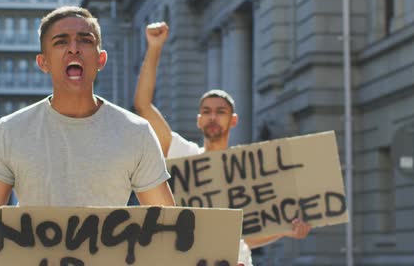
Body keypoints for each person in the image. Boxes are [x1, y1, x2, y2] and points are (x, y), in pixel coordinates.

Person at [0, 6, 175, 263]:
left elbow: (170, 228)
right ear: (44, 63)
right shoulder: (10, 131)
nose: (74, 48)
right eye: (61, 42)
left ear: (101, 59)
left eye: (85, 41)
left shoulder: (136, 133)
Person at [133, 22, 312, 266]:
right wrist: (154, 48)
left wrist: (286, 230)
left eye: (221, 111)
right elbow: (143, 106)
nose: (213, 117)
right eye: (206, 111)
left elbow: (247, 236)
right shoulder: (184, 154)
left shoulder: (248, 168)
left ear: (233, 119)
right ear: (198, 120)